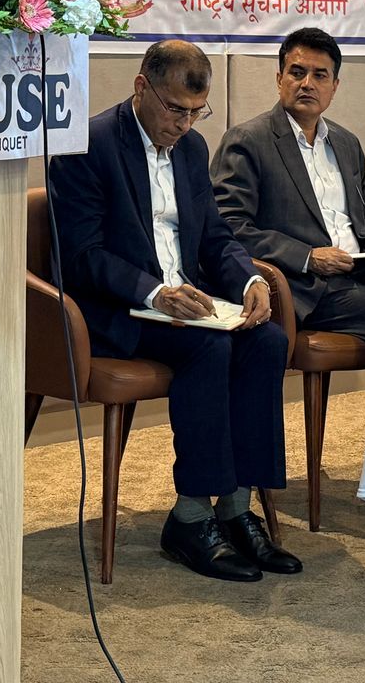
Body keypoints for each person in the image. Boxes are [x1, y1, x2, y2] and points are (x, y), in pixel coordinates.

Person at [47, 40, 300, 582]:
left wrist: (251, 279)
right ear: (142, 87)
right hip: (116, 311)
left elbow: (214, 236)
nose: (184, 125)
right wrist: (154, 293)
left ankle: (236, 508)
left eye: (195, 113)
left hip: (183, 303)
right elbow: (82, 256)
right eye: (175, 110)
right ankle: (190, 516)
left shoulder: (191, 148)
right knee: (208, 346)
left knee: (267, 340)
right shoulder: (87, 145)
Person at [213, 27, 365, 366]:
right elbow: (230, 226)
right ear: (279, 79)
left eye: (320, 75)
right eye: (297, 73)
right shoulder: (248, 141)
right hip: (307, 283)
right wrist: (308, 257)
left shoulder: (346, 143)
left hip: (360, 266)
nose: (307, 83)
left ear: (334, 87)